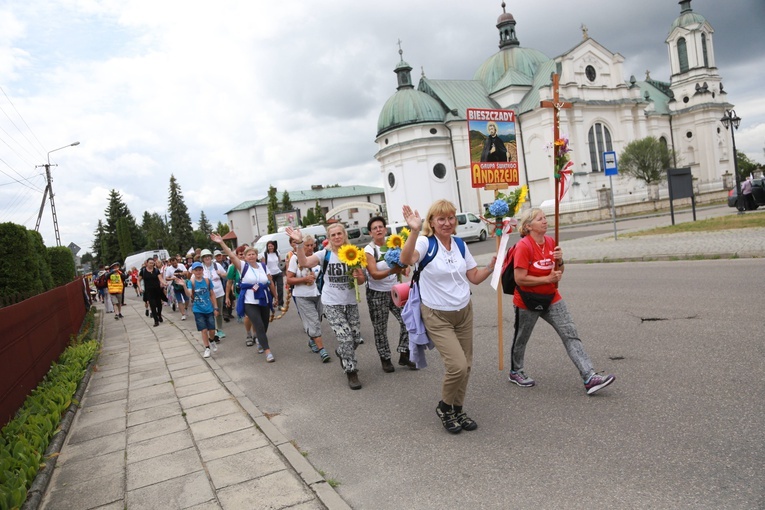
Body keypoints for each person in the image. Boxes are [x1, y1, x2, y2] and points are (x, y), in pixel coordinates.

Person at [400, 200, 496, 434]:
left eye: (451, 218)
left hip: (464, 312)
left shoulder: (460, 244)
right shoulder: (425, 242)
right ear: (431, 222)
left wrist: (491, 267)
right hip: (437, 314)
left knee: (467, 365)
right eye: (441, 219)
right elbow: (407, 259)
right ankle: (444, 407)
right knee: (457, 366)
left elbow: (473, 276)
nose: (447, 223)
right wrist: (414, 230)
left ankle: (458, 408)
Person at [508, 207, 615, 395]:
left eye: (545, 217)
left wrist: (561, 261)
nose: (545, 221)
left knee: (570, 333)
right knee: (521, 338)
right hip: (527, 300)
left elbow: (558, 273)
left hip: (551, 297)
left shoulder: (551, 241)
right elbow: (520, 279)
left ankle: (589, 376)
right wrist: (545, 279)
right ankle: (516, 371)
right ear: (528, 226)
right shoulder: (524, 246)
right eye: (540, 219)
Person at [286, 223, 367, 389]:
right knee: (345, 338)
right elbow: (304, 262)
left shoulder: (355, 254)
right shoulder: (325, 254)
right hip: (332, 303)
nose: (337, 237)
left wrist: (358, 275)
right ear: (329, 238)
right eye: (333, 235)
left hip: (350, 302)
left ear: (344, 235)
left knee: (356, 338)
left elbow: (361, 280)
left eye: (339, 234)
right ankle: (351, 371)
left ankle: (342, 352)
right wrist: (300, 244)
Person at [211, 233, 278, 362]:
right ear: (245, 257)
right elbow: (231, 255)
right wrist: (221, 243)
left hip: (264, 299)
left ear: (257, 255)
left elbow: (270, 282)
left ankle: (260, 341)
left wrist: (275, 297)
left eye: (253, 254)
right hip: (249, 301)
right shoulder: (243, 267)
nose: (251, 256)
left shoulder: (263, 267)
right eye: (249, 254)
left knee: (264, 325)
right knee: (258, 324)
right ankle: (267, 351)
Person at [364, 215, 416, 373]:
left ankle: (404, 353)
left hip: (395, 291)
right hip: (376, 294)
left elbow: (404, 261)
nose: (378, 230)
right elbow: (373, 274)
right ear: (370, 233)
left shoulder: (394, 244)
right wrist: (392, 271)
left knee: (409, 320)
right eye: (375, 228)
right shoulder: (369, 250)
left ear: (385, 229)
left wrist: (405, 266)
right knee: (380, 328)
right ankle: (385, 359)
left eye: (380, 227)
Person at [286, 234, 331, 363]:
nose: (310, 248)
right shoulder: (295, 259)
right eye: (307, 245)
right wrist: (304, 279)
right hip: (302, 296)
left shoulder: (317, 258)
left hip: (317, 294)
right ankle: (322, 350)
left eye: (312, 245)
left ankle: (312, 339)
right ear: (301, 246)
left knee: (317, 319)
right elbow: (289, 279)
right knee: (313, 322)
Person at [225, 245, 260, 351]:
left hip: (255, 293)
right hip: (241, 294)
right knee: (248, 316)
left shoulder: (253, 265)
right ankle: (249, 334)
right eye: (240, 254)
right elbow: (229, 282)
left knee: (255, 315)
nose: (242, 256)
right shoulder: (233, 267)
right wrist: (227, 297)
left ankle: (256, 334)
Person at [184, 262, 219, 359]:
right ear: (193, 272)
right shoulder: (191, 282)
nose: (198, 272)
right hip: (198, 309)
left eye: (200, 270)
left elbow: (212, 294)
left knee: (212, 330)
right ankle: (207, 348)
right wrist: (184, 286)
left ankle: (211, 340)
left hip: (209, 308)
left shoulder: (207, 281)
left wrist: (215, 307)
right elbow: (189, 294)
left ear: (202, 270)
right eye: (196, 270)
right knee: (203, 330)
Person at [200, 248, 227, 340]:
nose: (207, 258)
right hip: (206, 294)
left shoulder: (217, 265)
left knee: (219, 312)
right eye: (205, 257)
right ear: (202, 258)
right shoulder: (200, 268)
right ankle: (212, 330)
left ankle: (219, 329)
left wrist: (221, 274)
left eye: (208, 256)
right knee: (209, 312)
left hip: (219, 292)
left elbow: (226, 275)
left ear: (211, 257)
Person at [138, 257, 167, 327]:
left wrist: (164, 283)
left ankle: (159, 315)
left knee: (159, 304)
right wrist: (139, 288)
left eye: (152, 263)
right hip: (149, 291)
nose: (151, 264)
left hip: (157, 290)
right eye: (150, 263)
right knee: (152, 305)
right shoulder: (143, 271)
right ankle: (156, 320)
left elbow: (160, 278)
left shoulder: (156, 270)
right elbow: (138, 280)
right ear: (147, 263)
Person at [262, 240, 286, 311]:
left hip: (278, 273)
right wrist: (266, 275)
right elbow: (264, 266)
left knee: (280, 289)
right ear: (267, 247)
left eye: (271, 246)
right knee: (272, 290)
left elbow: (280, 262)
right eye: (269, 246)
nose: (270, 247)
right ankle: (270, 304)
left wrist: (283, 271)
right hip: (270, 275)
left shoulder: (277, 252)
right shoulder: (265, 254)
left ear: (274, 246)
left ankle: (280, 304)